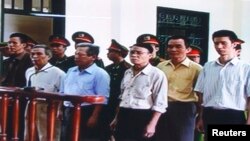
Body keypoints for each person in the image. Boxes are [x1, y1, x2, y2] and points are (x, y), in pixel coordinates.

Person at [194, 30, 250, 141]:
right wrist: (201, 117)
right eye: (216, 43)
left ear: (234, 44)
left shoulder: (245, 68)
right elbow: (201, 95)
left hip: (233, 116)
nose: (219, 46)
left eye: (223, 43)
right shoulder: (208, 67)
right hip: (210, 114)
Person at [112, 43, 168, 141]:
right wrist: (116, 118)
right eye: (132, 52)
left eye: (139, 53)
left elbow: (160, 103)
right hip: (124, 114)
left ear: (150, 55)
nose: (134, 55)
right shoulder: (127, 72)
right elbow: (122, 97)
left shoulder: (156, 74)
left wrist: (152, 124)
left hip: (143, 116)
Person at [60, 42, 110, 141]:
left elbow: (102, 98)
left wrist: (94, 116)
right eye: (76, 54)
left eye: (81, 55)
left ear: (93, 57)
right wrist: (60, 109)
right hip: (68, 110)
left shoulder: (100, 74)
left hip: (87, 111)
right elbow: (63, 91)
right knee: (66, 137)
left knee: (83, 137)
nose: (76, 57)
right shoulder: (71, 70)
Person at [156, 35, 202, 141]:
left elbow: (201, 95)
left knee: (183, 138)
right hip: (162, 108)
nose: (173, 49)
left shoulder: (197, 69)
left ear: (188, 49)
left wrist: (200, 117)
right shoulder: (161, 66)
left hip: (184, 109)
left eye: (178, 46)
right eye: (170, 46)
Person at [24, 44, 65, 141]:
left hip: (48, 106)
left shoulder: (58, 73)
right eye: (32, 54)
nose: (34, 56)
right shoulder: (29, 71)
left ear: (48, 56)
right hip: (30, 104)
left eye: (39, 54)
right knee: (29, 134)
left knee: (48, 135)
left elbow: (63, 92)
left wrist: (60, 110)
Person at [1, 32, 33, 140]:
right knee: (7, 129)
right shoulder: (7, 62)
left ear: (23, 45)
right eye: (9, 42)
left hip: (23, 100)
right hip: (7, 101)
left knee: (20, 129)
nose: (10, 45)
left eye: (14, 43)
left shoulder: (30, 60)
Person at [101, 39, 131, 140]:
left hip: (119, 103)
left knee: (117, 130)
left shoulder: (127, 69)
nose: (107, 54)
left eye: (110, 52)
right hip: (107, 103)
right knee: (105, 129)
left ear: (119, 53)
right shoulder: (108, 68)